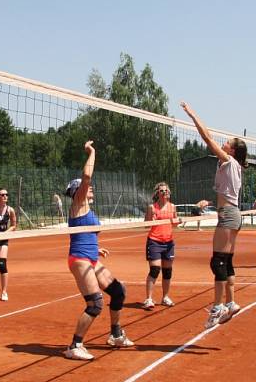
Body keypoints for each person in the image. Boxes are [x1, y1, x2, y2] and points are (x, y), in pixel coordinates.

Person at [64, 140, 134, 360]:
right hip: (79, 260)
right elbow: (87, 177)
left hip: (90, 258)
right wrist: (92, 152)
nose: (90, 188)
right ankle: (74, 345)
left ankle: (115, 334)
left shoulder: (87, 210)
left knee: (118, 291)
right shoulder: (78, 203)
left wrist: (97, 247)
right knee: (95, 304)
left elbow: (85, 233)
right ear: (78, 192)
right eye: (85, 188)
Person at [181, 100, 247, 328]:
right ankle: (231, 303)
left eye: (228, 142)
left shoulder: (229, 161)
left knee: (217, 261)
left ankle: (218, 308)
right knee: (226, 261)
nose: (224, 143)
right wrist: (210, 202)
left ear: (233, 150)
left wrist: (192, 115)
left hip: (229, 214)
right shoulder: (231, 165)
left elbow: (206, 137)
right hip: (230, 212)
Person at [142, 182, 179, 309]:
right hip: (155, 241)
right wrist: (150, 220)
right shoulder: (152, 207)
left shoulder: (172, 207)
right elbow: (146, 224)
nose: (165, 192)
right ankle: (148, 299)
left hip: (168, 242)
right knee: (155, 269)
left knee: (167, 271)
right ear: (157, 193)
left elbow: (175, 224)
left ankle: (165, 297)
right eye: (162, 191)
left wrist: (178, 221)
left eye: (166, 190)